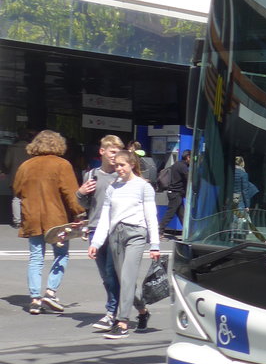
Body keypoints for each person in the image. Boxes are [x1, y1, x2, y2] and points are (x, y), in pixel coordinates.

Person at [12, 130, 86, 315]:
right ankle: (50, 293)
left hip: (32, 217)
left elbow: (17, 190)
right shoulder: (62, 164)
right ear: (59, 144)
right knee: (61, 254)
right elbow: (71, 193)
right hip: (56, 219)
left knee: (36, 257)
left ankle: (35, 299)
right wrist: (79, 214)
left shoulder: (26, 165)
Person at [88, 150, 161, 339]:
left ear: (132, 165)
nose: (118, 169)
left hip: (136, 234)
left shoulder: (144, 187)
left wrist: (155, 244)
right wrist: (96, 242)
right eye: (116, 165)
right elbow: (105, 217)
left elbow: (151, 217)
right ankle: (143, 312)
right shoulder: (113, 187)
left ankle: (122, 322)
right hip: (115, 234)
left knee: (127, 277)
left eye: (122, 165)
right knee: (125, 281)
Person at [77, 135, 125, 331]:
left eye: (118, 152)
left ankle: (112, 312)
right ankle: (130, 306)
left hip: (117, 229)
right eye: (112, 152)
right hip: (95, 228)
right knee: (106, 276)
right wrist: (80, 193)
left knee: (113, 273)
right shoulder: (91, 175)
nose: (115, 157)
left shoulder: (123, 175)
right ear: (102, 152)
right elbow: (87, 204)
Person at [158, 149, 190, 234]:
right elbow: (189, 179)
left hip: (174, 193)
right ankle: (159, 231)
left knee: (182, 215)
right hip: (176, 193)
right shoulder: (183, 167)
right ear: (188, 157)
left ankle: (188, 233)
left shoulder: (176, 164)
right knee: (170, 214)